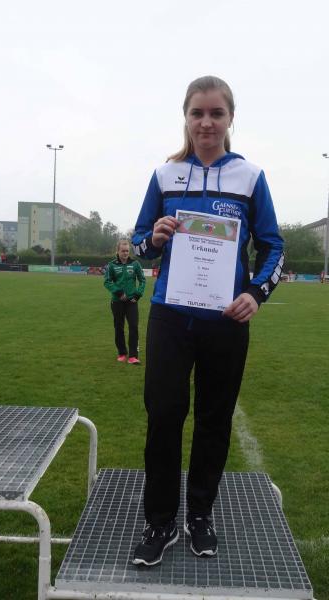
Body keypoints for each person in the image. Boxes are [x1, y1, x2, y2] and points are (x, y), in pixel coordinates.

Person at [130, 75, 284, 567]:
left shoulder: (250, 177)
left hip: (225, 321)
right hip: (171, 318)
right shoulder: (164, 175)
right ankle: (160, 521)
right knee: (164, 417)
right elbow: (136, 244)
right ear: (186, 117)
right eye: (198, 113)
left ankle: (200, 515)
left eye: (217, 113)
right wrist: (153, 237)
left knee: (214, 422)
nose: (206, 123)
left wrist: (255, 293)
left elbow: (274, 246)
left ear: (230, 118)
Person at [104, 239, 146, 364]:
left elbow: (142, 280)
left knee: (133, 326)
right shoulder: (112, 265)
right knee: (119, 327)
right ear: (117, 251)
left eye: (127, 251)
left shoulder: (135, 264)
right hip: (117, 301)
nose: (125, 253)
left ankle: (133, 356)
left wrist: (138, 294)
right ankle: (122, 353)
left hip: (132, 301)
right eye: (123, 251)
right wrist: (118, 292)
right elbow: (107, 281)